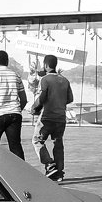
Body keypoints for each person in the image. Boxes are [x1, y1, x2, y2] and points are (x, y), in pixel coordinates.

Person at [31, 54, 74, 182]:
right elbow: (70, 99)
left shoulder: (45, 80)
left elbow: (42, 97)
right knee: (58, 143)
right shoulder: (65, 80)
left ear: (45, 65)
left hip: (47, 117)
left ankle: (49, 164)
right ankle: (59, 173)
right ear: (55, 65)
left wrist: (34, 108)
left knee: (37, 141)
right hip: (61, 117)